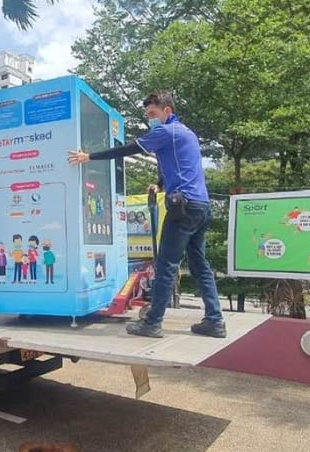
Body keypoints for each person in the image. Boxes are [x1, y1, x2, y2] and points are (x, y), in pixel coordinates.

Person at [67, 91, 226, 339]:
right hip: (201, 207)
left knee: (165, 265)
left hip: (183, 209)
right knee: (200, 266)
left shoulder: (165, 132)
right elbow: (181, 167)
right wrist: (160, 184)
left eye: (152, 114)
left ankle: (152, 323)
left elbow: (129, 149)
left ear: (167, 111)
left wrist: (89, 157)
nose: (149, 119)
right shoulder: (187, 133)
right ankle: (215, 321)